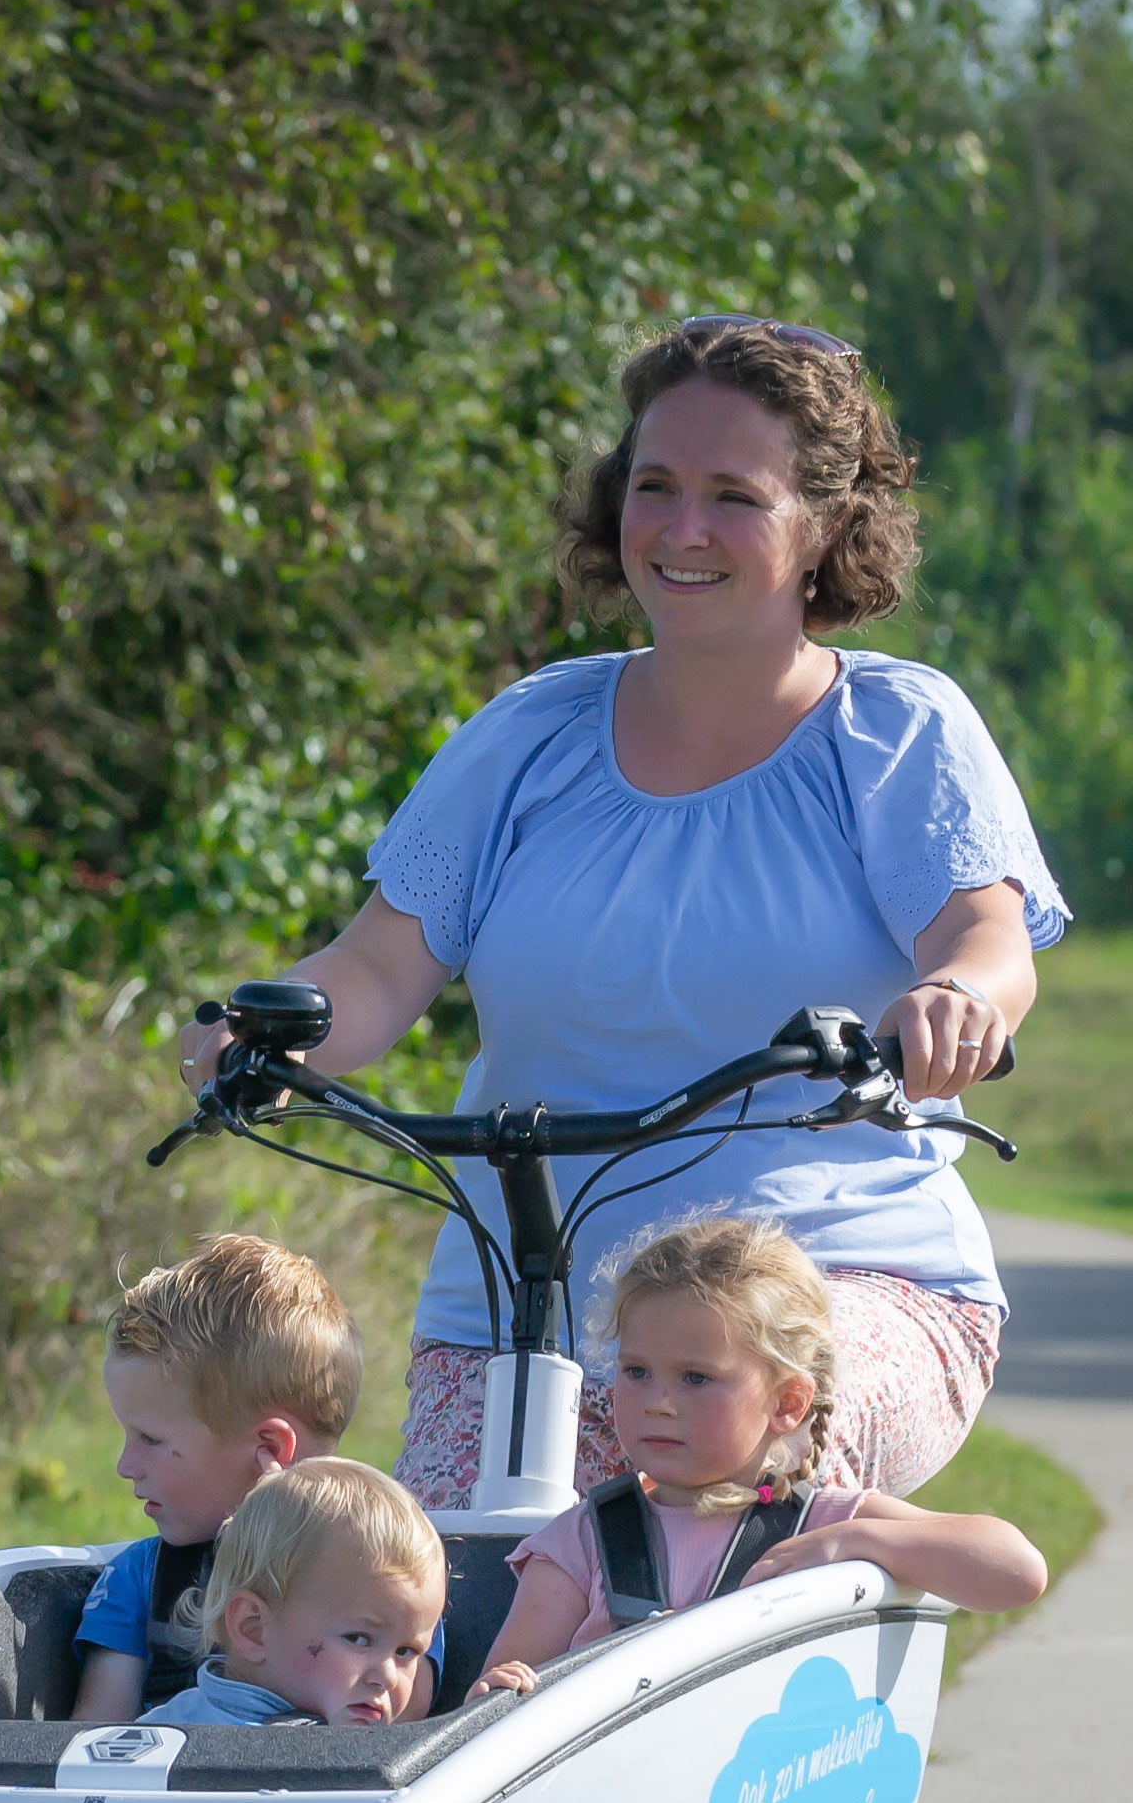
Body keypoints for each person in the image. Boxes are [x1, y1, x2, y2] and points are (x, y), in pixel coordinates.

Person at [177, 314, 1067, 1509]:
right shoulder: (528, 734)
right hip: (521, 1300)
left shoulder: (897, 731)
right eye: (654, 486)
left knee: (722, 1468)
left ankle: (854, 1607)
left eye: (732, 497)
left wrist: (958, 997)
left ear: (824, 528)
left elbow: (984, 936)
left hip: (833, 1281)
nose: (682, 530)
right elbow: (379, 966)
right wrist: (264, 1037)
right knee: (427, 1613)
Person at [470, 1218, 1043, 1700]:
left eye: (696, 1378)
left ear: (788, 1403)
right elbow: (498, 1704)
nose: (658, 1404)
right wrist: (498, 1693)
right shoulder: (583, 1541)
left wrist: (855, 1543)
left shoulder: (826, 1525)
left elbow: (1016, 1571)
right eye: (635, 1372)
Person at [71, 1233, 363, 1723]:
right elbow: (90, 1753)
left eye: (150, 1439)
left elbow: (407, 1739)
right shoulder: (142, 1581)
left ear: (269, 1450)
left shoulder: (387, 1570)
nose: (125, 1466)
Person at [138, 1459, 447, 1729]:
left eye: (406, 1652)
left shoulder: (376, 1752)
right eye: (359, 1638)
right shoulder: (168, 1747)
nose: (388, 1677)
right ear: (254, 1629)